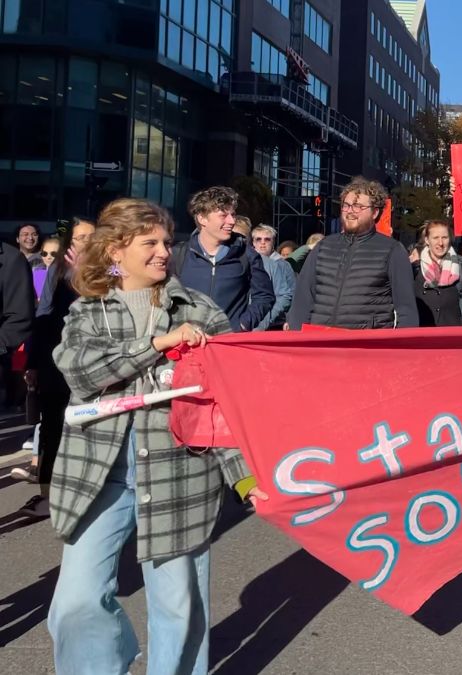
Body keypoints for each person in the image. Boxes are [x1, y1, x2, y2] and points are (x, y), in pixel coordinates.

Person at [47, 198, 265, 675]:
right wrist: (156, 346)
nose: (164, 251)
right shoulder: (89, 311)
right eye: (149, 242)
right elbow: (79, 370)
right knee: (76, 601)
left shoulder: (201, 312)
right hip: (97, 478)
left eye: (166, 242)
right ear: (115, 252)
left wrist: (245, 479)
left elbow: (223, 407)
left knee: (179, 608)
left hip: (180, 476)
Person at [15, 218, 94, 517]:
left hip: (92, 363)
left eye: (90, 236)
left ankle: (85, 491)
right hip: (56, 358)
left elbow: (117, 289)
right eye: (80, 237)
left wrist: (89, 274)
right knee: (51, 427)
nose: (85, 242)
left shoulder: (111, 267)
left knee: (86, 428)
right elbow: (44, 312)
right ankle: (46, 493)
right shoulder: (58, 269)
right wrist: (33, 361)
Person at [288, 178, 418, 330]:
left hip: (365, 346)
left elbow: (406, 310)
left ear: (375, 212)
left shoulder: (393, 250)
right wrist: (296, 336)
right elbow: (301, 300)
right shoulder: (323, 247)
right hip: (321, 341)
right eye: (346, 205)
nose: (350, 211)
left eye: (357, 206)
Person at [173, 187, 274, 332]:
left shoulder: (247, 255)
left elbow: (265, 296)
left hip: (228, 345)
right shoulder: (179, 255)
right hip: (187, 345)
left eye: (233, 214)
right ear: (202, 218)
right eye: (223, 215)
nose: (232, 221)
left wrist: (243, 325)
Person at [412, 219, 462, 327]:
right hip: (423, 337)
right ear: (427, 240)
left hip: (452, 337)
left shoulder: (461, 270)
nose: (440, 243)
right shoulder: (415, 270)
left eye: (444, 238)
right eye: (435, 238)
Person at [0, 234, 35, 413]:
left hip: (13, 346)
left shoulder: (12, 260)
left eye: (33, 234)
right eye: (25, 234)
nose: (30, 238)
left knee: (17, 369)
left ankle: (17, 399)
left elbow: (20, 317)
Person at [249, 224, 296, 330]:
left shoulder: (283, 265)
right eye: (258, 239)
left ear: (273, 242)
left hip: (276, 322)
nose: (262, 243)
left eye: (267, 239)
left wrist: (289, 320)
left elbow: (292, 294)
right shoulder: (246, 261)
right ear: (253, 242)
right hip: (251, 320)